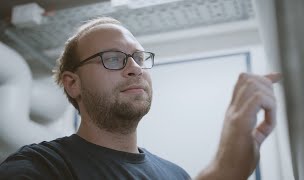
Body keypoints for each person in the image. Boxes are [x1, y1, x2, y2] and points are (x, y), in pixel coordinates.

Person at [0, 17, 281, 180]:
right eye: (112, 59)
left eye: (138, 57)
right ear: (73, 84)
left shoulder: (176, 174)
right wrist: (223, 172)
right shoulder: (41, 166)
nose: (134, 67)